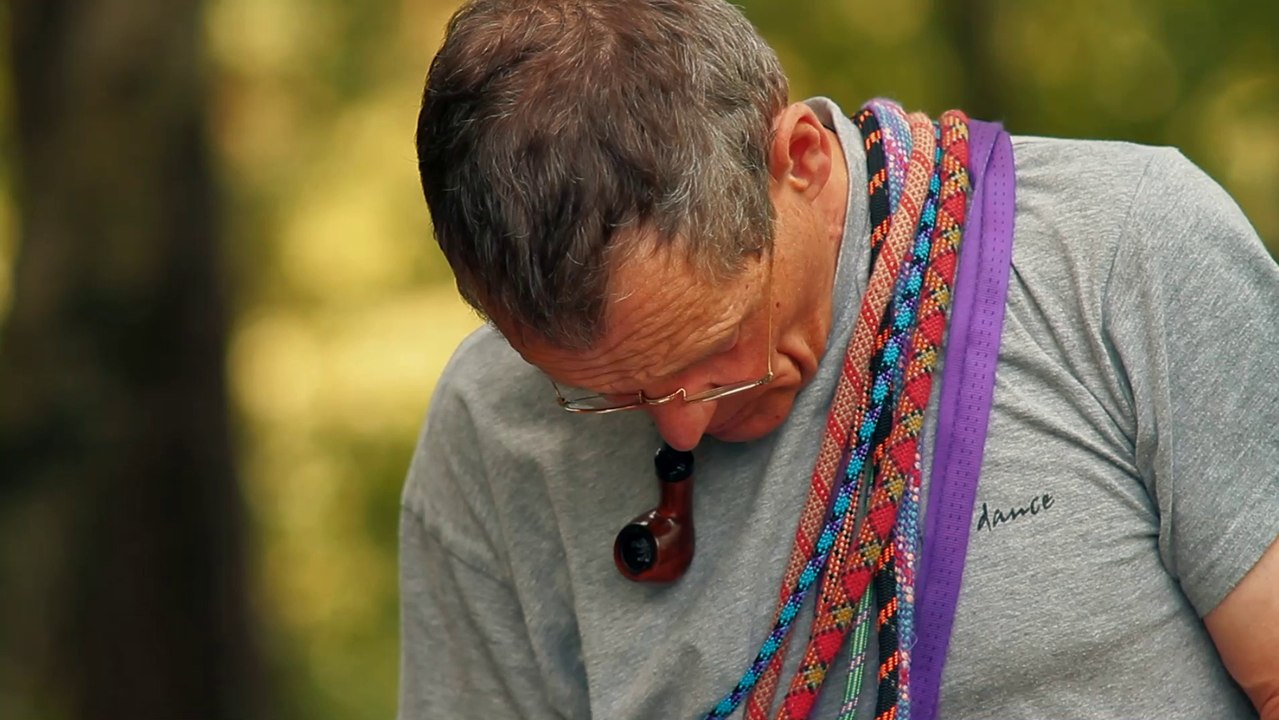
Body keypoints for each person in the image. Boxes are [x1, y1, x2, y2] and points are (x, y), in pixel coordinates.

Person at [399, 1, 1279, 718]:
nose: (681, 423)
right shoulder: (489, 427)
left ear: (801, 163)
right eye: (606, 393)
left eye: (714, 351)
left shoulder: (1117, 254)